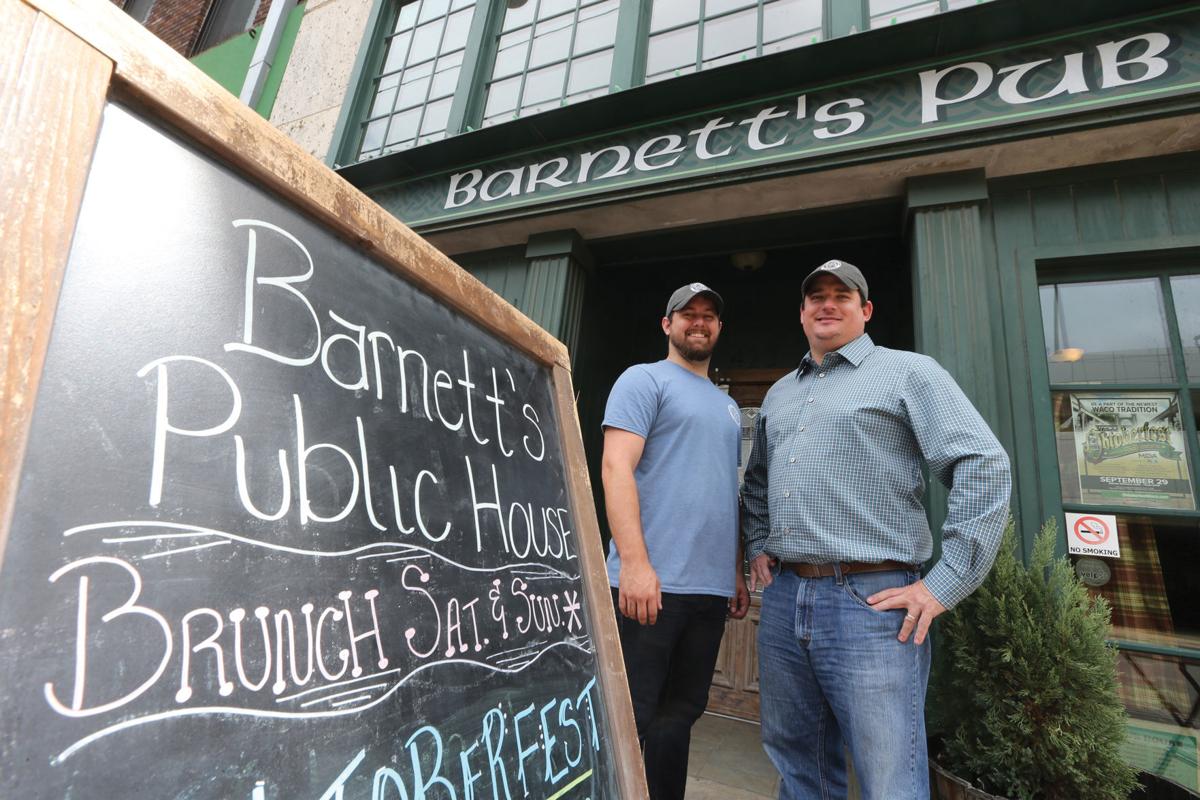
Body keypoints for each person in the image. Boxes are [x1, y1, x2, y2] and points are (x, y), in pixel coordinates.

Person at [741, 259, 1011, 800]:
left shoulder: (909, 372)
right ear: (801, 313)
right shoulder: (779, 394)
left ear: (865, 310)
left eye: (842, 295)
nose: (827, 304)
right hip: (785, 596)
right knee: (798, 765)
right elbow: (758, 483)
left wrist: (943, 583)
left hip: (871, 603)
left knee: (889, 777)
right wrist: (757, 544)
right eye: (815, 296)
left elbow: (983, 463)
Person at [601, 282, 750, 800]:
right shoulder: (644, 380)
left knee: (680, 716)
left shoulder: (728, 408)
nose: (699, 322)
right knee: (630, 717)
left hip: (708, 593)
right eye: (688, 314)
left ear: (719, 328)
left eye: (709, 315)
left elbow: (722, 492)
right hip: (649, 586)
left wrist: (733, 570)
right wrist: (637, 565)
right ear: (668, 325)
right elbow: (616, 467)